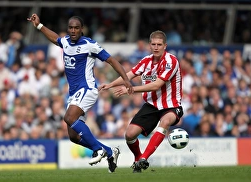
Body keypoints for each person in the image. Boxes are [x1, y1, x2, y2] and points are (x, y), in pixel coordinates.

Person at [27, 13, 133, 172]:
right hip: (75, 93)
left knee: (69, 118)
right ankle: (110, 151)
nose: (73, 30)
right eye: (70, 27)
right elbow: (55, 38)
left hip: (88, 89)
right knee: (74, 136)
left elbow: (111, 60)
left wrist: (125, 79)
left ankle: (98, 149)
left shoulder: (90, 44)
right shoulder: (66, 42)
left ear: (82, 29)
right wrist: (39, 26)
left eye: (76, 27)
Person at [99, 30, 184, 173]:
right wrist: (110, 85)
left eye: (159, 44)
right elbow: (128, 76)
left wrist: (130, 90)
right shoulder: (146, 61)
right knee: (130, 135)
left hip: (171, 105)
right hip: (151, 105)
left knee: (165, 122)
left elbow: (157, 85)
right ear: (149, 46)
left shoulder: (171, 61)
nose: (156, 47)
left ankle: (144, 158)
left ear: (165, 46)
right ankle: (138, 158)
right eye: (153, 44)